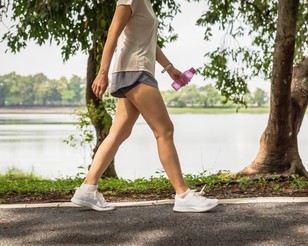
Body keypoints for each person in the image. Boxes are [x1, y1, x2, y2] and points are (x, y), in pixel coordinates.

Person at [71, 0, 218, 212]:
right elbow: (112, 33)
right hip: (135, 72)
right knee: (164, 130)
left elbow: (148, 40)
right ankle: (183, 195)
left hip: (132, 71)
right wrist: (102, 72)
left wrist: (169, 68)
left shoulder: (144, 3)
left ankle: (87, 189)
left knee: (119, 133)